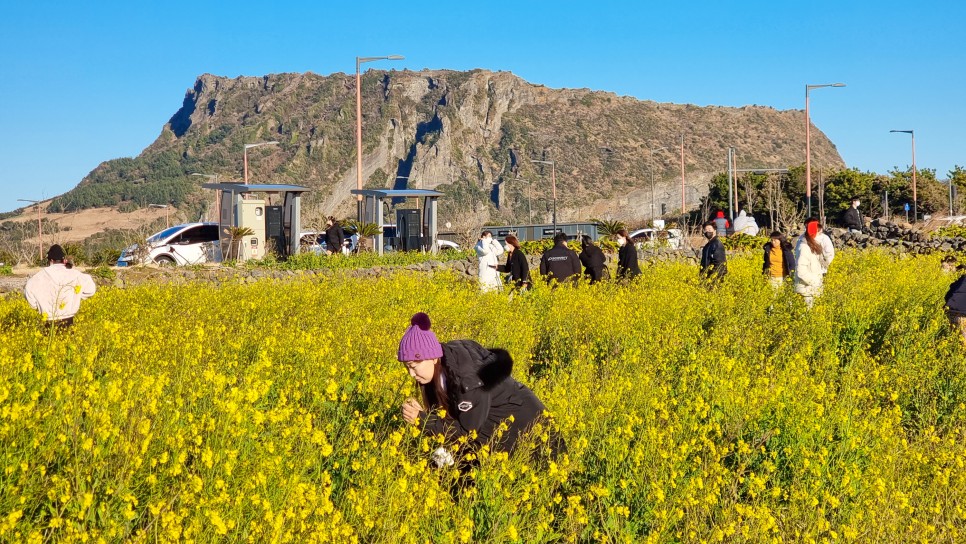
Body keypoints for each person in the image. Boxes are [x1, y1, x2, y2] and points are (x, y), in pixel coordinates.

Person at [398, 312, 563, 460]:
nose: (411, 374)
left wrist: (422, 420)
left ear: (433, 357)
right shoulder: (444, 361)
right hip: (501, 431)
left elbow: (466, 432)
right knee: (444, 465)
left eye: (414, 366)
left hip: (531, 431)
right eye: (407, 367)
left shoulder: (466, 381)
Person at [24, 244, 97, 329]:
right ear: (63, 260)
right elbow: (90, 290)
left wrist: (40, 306)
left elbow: (31, 302)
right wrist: (77, 295)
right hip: (69, 322)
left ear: (50, 260)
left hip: (47, 322)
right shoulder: (76, 274)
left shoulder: (37, 278)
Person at [794, 218, 826, 308]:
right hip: (806, 290)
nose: (821, 235)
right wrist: (815, 282)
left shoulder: (813, 247)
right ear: (813, 233)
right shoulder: (804, 248)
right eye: (819, 233)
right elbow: (801, 271)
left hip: (811, 290)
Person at [944, 258, 966, 342]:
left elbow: (948, 295)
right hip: (962, 314)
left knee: (956, 343)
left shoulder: (961, 280)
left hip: (952, 312)